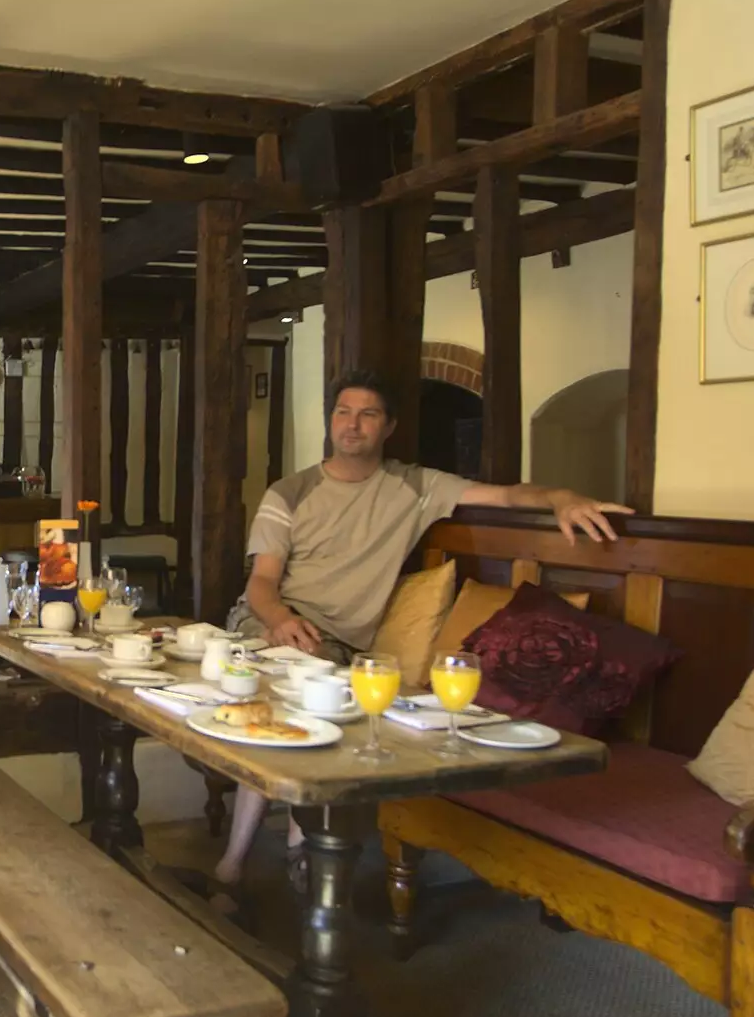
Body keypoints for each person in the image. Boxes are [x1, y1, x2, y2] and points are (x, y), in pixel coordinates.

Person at [212, 368, 630, 896]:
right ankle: (250, 859)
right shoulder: (290, 492)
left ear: (388, 426)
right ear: (330, 421)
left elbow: (504, 497)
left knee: (306, 706)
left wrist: (561, 496)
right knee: (279, 701)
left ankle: (278, 855)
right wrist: (281, 622)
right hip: (268, 621)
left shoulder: (417, 486)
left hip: (337, 645)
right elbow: (262, 585)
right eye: (343, 412)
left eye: (367, 414)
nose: (353, 424)